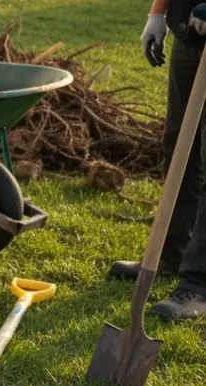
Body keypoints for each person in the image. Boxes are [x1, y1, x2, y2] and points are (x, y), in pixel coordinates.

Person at [115, 0, 206, 320]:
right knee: (180, 148)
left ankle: (199, 283)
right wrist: (157, 14)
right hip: (189, 33)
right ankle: (169, 255)